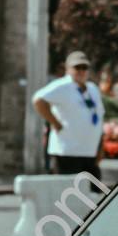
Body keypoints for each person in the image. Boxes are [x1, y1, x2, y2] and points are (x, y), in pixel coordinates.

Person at [34, 50, 107, 179]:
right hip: (66, 152)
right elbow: (38, 100)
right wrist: (55, 123)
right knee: (66, 192)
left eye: (84, 67)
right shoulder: (63, 86)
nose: (81, 71)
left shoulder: (92, 89)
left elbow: (99, 119)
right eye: (77, 67)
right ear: (68, 69)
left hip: (89, 152)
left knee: (93, 194)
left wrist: (100, 147)